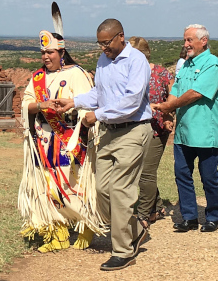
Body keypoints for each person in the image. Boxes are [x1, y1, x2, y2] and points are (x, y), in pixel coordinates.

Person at [56, 19, 153, 272]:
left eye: (106, 43)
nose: (103, 48)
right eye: (99, 44)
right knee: (103, 190)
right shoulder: (103, 61)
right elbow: (99, 94)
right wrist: (74, 102)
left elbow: (131, 101)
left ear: (121, 36)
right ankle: (135, 229)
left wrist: (97, 115)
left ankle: (123, 251)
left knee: (121, 190)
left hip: (133, 130)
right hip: (110, 133)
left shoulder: (136, 61)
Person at [18, 29, 105, 253]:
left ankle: (86, 225)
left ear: (62, 51)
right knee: (48, 186)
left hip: (70, 139)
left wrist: (72, 109)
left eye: (50, 52)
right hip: (44, 139)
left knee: (73, 184)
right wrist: (41, 106)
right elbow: (26, 103)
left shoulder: (77, 74)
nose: (46, 57)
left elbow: (89, 104)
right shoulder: (38, 77)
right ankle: (58, 234)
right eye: (43, 53)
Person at [153, 24, 218, 233]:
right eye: (185, 40)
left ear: (203, 41)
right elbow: (176, 90)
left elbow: (195, 93)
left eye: (189, 40)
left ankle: (213, 216)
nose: (185, 45)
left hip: (205, 133)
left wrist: (170, 106)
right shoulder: (186, 65)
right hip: (184, 133)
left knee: (209, 177)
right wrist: (167, 111)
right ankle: (189, 217)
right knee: (182, 174)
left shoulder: (212, 65)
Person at [129, 37, 174, 228]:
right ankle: (157, 206)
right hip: (133, 129)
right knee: (138, 170)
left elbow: (173, 96)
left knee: (146, 172)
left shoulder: (162, 73)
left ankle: (144, 215)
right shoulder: (128, 73)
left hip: (156, 129)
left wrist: (168, 114)